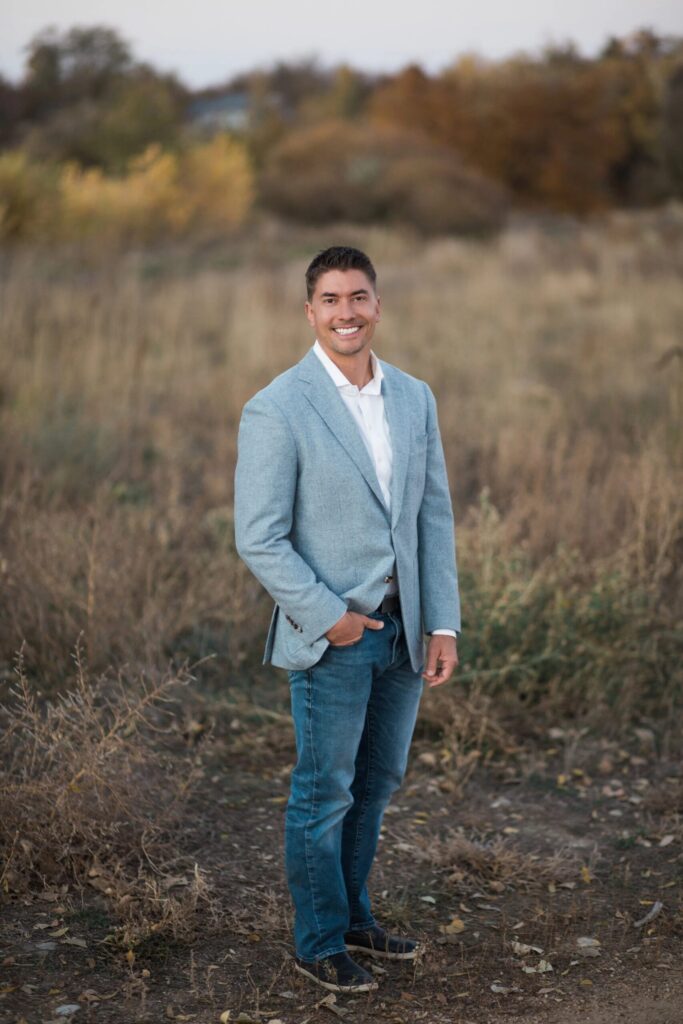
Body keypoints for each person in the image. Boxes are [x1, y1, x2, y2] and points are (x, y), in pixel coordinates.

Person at [234, 246, 460, 994]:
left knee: (376, 782)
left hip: (405, 632)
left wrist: (442, 623)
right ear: (310, 312)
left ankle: (355, 917)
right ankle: (320, 940)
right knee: (324, 791)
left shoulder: (413, 397)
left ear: (377, 305)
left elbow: (431, 516)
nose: (346, 313)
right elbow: (259, 537)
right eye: (330, 300)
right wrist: (328, 617)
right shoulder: (277, 407)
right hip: (333, 636)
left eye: (358, 297)